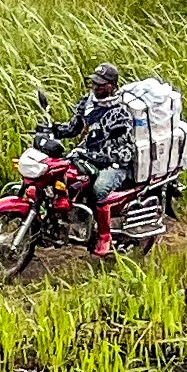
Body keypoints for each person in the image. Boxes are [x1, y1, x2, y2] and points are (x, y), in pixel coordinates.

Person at [54, 65, 140, 253]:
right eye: (94, 82)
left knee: (99, 189)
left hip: (114, 160)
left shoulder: (120, 113)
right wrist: (52, 129)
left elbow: (115, 145)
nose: (96, 87)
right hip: (88, 155)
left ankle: (104, 236)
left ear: (112, 85)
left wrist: (90, 154)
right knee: (62, 176)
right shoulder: (87, 103)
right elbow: (73, 128)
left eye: (101, 84)